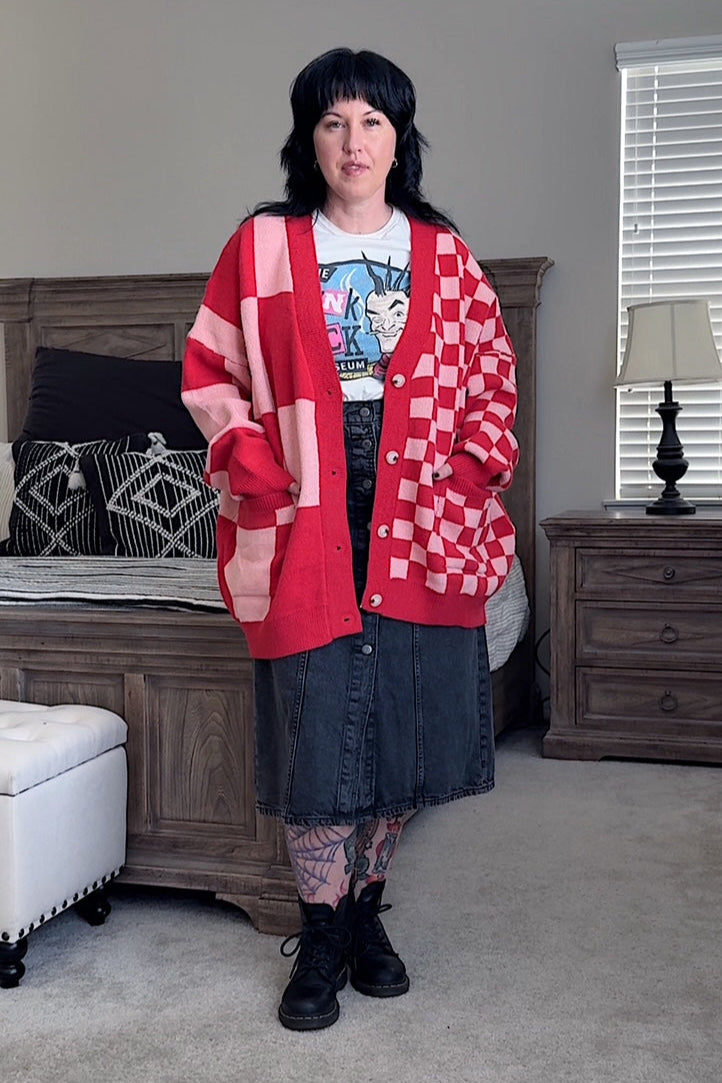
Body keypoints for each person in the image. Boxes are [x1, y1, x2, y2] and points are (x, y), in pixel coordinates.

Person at [182, 46, 519, 1031]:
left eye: (372, 120)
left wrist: (465, 467)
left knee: (403, 723)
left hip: (420, 501)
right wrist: (241, 450)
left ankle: (368, 912)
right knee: (317, 724)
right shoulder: (261, 247)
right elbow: (209, 368)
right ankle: (321, 931)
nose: (353, 139)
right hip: (301, 496)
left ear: (397, 138)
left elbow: (491, 379)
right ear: (309, 138)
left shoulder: (443, 254)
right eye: (334, 120)